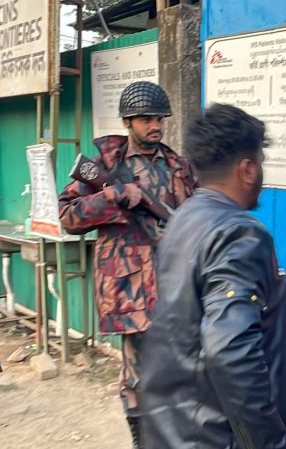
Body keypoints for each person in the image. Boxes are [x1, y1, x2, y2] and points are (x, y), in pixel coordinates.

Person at [137, 103, 286, 448]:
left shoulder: (185, 218)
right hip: (216, 436)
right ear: (247, 169)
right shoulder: (239, 231)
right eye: (261, 162)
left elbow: (222, 296)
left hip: (174, 427)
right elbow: (230, 350)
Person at [58, 80, 197, 447]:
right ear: (128, 121)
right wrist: (115, 194)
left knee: (181, 369)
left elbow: (197, 216)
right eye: (146, 119)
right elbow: (68, 219)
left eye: (159, 118)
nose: (155, 125)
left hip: (175, 283)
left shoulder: (177, 166)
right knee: (137, 374)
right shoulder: (107, 165)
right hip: (130, 283)